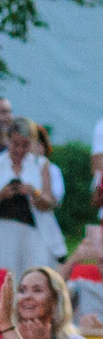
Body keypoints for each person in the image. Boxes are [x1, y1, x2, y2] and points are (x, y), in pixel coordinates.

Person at [0, 117, 63, 277]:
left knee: (32, 274)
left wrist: (35, 193)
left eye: (25, 145)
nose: (20, 150)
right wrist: (3, 195)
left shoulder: (40, 164)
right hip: (3, 231)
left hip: (33, 232)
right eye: (15, 144)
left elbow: (50, 202)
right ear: (8, 140)